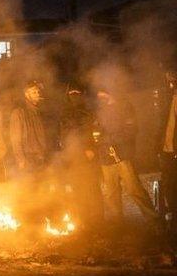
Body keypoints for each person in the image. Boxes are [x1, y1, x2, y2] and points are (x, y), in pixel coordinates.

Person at [95, 87, 161, 229]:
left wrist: (110, 140)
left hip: (123, 156)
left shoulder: (124, 107)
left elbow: (131, 130)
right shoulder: (101, 111)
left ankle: (154, 221)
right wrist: (100, 140)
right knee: (112, 193)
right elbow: (97, 131)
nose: (101, 98)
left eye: (103, 95)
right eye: (99, 96)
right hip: (105, 158)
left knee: (134, 189)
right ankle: (117, 224)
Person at [58, 83, 102, 229]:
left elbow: (92, 131)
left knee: (92, 187)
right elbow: (65, 134)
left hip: (88, 156)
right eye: (71, 93)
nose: (74, 95)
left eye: (77, 92)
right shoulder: (65, 113)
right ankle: (83, 221)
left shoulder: (88, 111)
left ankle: (97, 221)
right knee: (78, 189)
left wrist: (90, 147)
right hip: (73, 157)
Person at [159, 68, 177, 230]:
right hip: (167, 151)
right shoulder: (167, 97)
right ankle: (173, 219)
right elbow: (162, 124)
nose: (170, 79)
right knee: (169, 185)